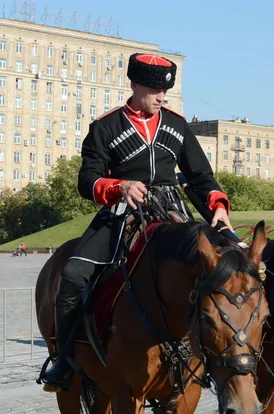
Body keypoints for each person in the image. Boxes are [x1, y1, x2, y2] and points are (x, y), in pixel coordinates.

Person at [39, 53, 233, 390]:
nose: (161, 97)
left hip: (173, 211)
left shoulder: (176, 124)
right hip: (122, 212)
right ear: (135, 84)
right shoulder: (105, 126)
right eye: (156, 90)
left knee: (228, 267)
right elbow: (88, 180)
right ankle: (65, 358)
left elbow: (200, 177)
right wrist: (119, 186)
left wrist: (217, 206)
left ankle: (218, 360)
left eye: (165, 91)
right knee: (72, 274)